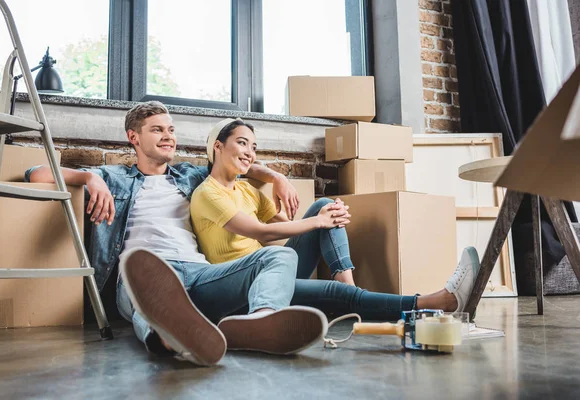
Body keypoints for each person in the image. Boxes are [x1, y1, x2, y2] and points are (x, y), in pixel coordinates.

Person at [27, 101, 330, 367]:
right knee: (152, 295)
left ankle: (261, 323)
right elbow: (36, 173)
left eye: (171, 130)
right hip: (145, 272)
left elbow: (239, 162)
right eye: (157, 130)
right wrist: (89, 178)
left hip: (199, 273)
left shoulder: (191, 176)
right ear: (133, 137)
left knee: (280, 253)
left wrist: (277, 178)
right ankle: (171, 339)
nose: (169, 136)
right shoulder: (113, 177)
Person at [190, 118, 481, 326]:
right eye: (242, 143)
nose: (250, 152)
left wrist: (325, 216)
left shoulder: (246, 190)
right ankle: (438, 302)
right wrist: (318, 222)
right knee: (324, 235)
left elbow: (283, 223)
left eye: (253, 146)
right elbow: (262, 232)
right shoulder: (207, 194)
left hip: (274, 272)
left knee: (325, 205)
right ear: (217, 146)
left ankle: (348, 287)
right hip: (248, 289)